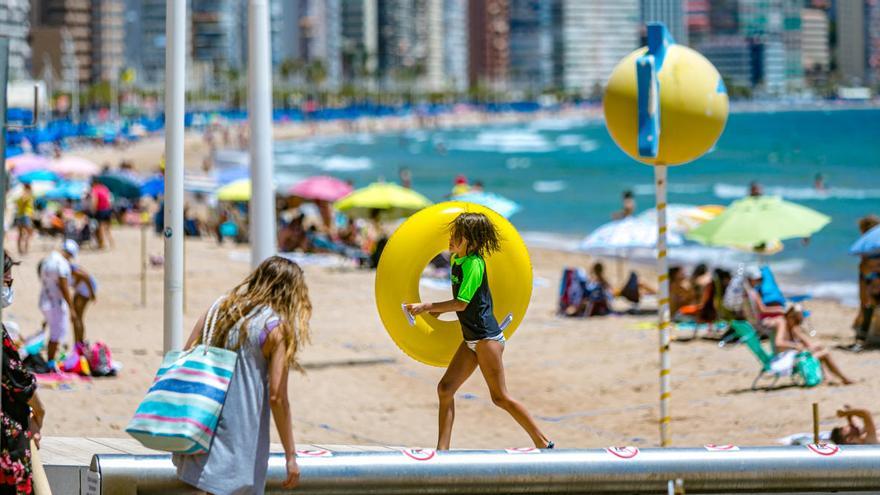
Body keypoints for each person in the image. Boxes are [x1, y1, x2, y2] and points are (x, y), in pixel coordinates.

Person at [406, 212, 554, 450]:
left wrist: (427, 307)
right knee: (445, 389)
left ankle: (543, 442)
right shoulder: (457, 261)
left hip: (486, 338)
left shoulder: (475, 264)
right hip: (471, 338)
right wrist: (439, 310)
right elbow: (462, 301)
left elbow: (461, 304)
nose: (451, 238)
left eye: (458, 235)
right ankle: (442, 452)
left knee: (500, 397)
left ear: (472, 241)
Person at [174, 256, 311, 493]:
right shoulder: (276, 328)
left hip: (201, 431)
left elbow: (186, 355)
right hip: (239, 443)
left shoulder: (220, 308)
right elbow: (277, 397)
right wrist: (291, 456)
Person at [2, 250, 48, 494]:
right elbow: (18, 379)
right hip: (7, 442)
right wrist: (39, 412)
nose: (9, 287)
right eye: (7, 282)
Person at [39, 240, 78, 367]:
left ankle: (51, 360)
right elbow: (64, 287)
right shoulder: (62, 264)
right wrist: (72, 308)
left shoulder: (48, 259)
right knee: (56, 334)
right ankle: (50, 363)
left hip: (44, 299)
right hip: (55, 302)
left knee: (54, 332)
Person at [70, 262, 97, 345]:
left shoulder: (67, 269)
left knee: (77, 318)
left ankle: (79, 343)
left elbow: (85, 277)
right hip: (82, 291)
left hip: (84, 293)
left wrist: (92, 293)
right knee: (78, 318)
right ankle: (79, 342)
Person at [89, 177, 114, 249]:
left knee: (101, 228)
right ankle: (112, 243)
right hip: (108, 209)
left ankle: (102, 244)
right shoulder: (105, 188)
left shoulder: (95, 189)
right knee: (108, 229)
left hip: (101, 210)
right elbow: (109, 199)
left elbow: (95, 201)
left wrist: (93, 210)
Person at [14, 183, 35, 255]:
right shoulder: (27, 194)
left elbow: (17, 203)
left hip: (20, 215)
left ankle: (20, 250)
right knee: (28, 234)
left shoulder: (20, 195)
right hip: (26, 215)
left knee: (21, 234)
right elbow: (25, 202)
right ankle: (25, 250)